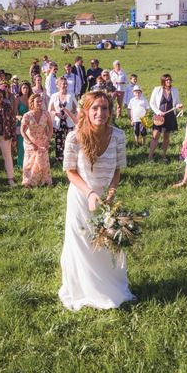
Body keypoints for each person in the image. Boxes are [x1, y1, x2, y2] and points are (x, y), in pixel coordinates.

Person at [59, 90, 134, 310]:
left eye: (104, 108)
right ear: (86, 111)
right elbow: (70, 171)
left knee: (108, 244)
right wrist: (90, 193)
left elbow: (118, 169)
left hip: (107, 202)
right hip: (81, 199)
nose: (100, 112)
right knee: (84, 245)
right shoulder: (74, 137)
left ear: (110, 111)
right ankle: (85, 289)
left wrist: (110, 193)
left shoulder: (118, 136)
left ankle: (110, 287)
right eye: (95, 108)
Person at [148, 74, 183, 162]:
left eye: (170, 80)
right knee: (155, 136)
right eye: (167, 80)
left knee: (166, 137)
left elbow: (177, 103)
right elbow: (152, 103)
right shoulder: (157, 89)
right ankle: (150, 156)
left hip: (170, 116)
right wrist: (158, 112)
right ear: (163, 81)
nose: (169, 81)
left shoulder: (174, 90)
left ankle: (163, 155)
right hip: (159, 116)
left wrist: (179, 105)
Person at [21, 93, 53, 188]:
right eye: (37, 101)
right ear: (32, 102)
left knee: (43, 161)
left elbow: (50, 128)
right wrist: (31, 143)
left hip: (42, 140)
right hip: (30, 141)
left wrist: (47, 140)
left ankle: (44, 180)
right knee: (29, 163)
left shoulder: (46, 113)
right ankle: (28, 182)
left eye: (40, 101)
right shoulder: (27, 115)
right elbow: (22, 131)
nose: (39, 103)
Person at [49, 77, 78, 163]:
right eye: (63, 84)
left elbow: (76, 108)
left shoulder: (71, 95)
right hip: (58, 122)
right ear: (58, 85)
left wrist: (68, 114)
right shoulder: (54, 96)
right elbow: (50, 109)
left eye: (66, 84)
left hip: (69, 122)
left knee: (69, 141)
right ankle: (59, 160)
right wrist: (57, 114)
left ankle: (70, 159)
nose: (65, 85)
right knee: (59, 141)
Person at [15, 81, 32, 169]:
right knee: (21, 144)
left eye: (27, 88)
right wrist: (19, 117)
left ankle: (30, 162)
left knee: (30, 143)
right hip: (21, 124)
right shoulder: (18, 99)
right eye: (23, 88)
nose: (25, 90)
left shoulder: (31, 98)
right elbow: (14, 113)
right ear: (21, 89)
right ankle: (21, 164)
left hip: (31, 124)